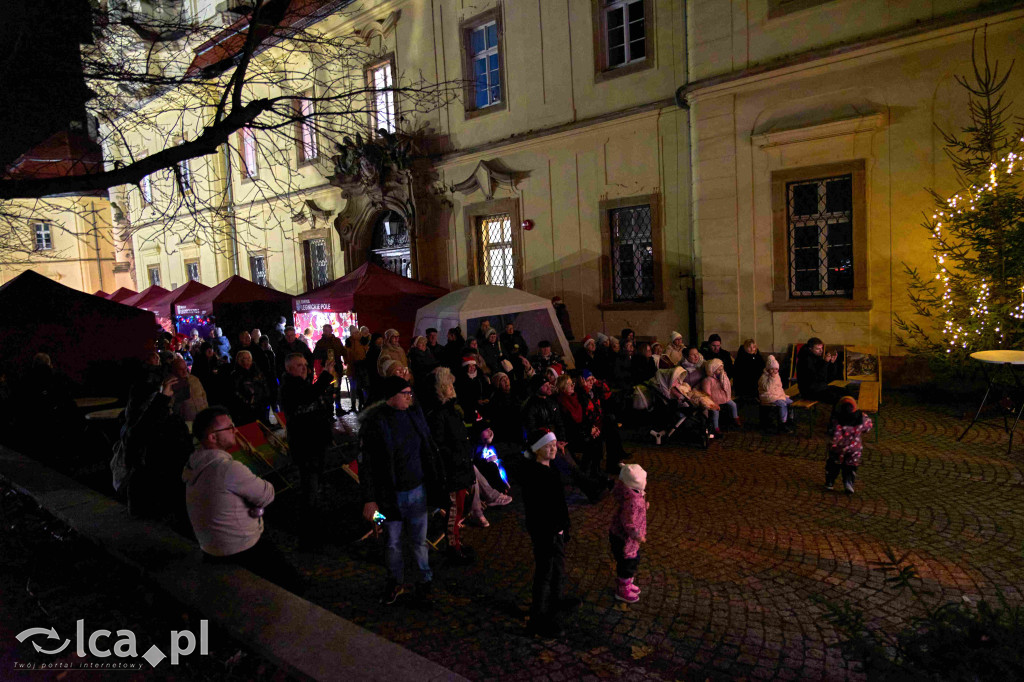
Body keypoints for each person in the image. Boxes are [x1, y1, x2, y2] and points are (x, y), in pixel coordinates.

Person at [183, 407, 304, 594]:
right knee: (294, 583)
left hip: (211, 547)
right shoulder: (227, 469)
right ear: (212, 437)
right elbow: (268, 494)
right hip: (239, 547)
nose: (236, 430)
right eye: (229, 428)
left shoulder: (193, 466)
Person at [359, 376, 444, 606]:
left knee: (418, 540)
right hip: (388, 498)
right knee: (391, 542)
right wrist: (369, 500)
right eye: (405, 393)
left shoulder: (414, 415)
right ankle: (395, 581)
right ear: (392, 397)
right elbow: (367, 465)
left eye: (410, 393)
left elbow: (428, 451)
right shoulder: (375, 424)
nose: (410, 397)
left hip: (418, 492)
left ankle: (424, 581)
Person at [279, 353, 336, 549]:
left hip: (316, 444)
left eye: (305, 365)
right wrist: (326, 377)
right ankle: (307, 538)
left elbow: (317, 402)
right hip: (306, 448)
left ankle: (316, 529)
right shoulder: (289, 388)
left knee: (315, 489)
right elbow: (308, 397)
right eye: (299, 365)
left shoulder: (303, 385)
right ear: (288, 368)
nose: (304, 368)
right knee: (308, 492)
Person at [425, 367, 481, 561]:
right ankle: (453, 548)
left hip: (460, 467)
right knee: (453, 512)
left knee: (458, 510)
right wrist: (456, 458)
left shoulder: (452, 411)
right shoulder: (439, 414)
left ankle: (456, 543)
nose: (452, 387)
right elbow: (440, 445)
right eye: (448, 384)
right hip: (453, 470)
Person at [521, 429, 572, 637]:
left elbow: (559, 501)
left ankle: (555, 602)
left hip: (556, 529)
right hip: (545, 532)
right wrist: (554, 528)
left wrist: (564, 526)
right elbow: (540, 509)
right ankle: (538, 618)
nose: (553, 449)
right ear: (537, 450)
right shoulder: (535, 475)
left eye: (553, 445)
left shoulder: (551, 469)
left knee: (557, 567)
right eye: (548, 447)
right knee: (545, 571)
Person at [609, 463, 648, 604]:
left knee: (631, 560)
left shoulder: (631, 494)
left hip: (623, 536)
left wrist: (643, 507)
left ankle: (626, 583)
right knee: (628, 562)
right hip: (625, 539)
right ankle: (622, 589)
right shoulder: (633, 501)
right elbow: (628, 521)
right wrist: (637, 535)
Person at [825, 397, 873, 494]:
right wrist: (865, 416)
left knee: (833, 464)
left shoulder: (837, 419)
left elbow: (833, 432)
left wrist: (832, 443)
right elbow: (868, 427)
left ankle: (830, 482)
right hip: (854, 448)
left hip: (838, 448)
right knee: (851, 466)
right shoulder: (861, 419)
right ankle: (849, 482)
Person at [796, 337, 850, 404]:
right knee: (840, 399)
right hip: (810, 392)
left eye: (821, 348)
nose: (821, 351)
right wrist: (825, 363)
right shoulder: (805, 360)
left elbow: (830, 377)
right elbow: (818, 378)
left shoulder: (816, 357)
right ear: (810, 349)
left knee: (846, 393)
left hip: (821, 388)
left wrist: (832, 363)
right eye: (818, 349)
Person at [700, 358, 741, 437]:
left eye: (721, 369)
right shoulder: (708, 380)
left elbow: (726, 386)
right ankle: (716, 427)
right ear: (713, 370)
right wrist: (711, 402)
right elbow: (706, 392)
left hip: (723, 397)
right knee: (715, 413)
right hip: (714, 400)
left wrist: (724, 379)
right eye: (718, 370)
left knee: (733, 404)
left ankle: (735, 418)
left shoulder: (722, 378)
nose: (721, 372)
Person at [229, 350, 271, 426]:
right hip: (247, 407)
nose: (248, 360)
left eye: (249, 358)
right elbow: (235, 391)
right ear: (240, 360)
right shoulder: (236, 375)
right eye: (245, 358)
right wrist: (247, 401)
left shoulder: (257, 371)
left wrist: (266, 397)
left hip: (261, 404)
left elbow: (264, 384)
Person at [313, 324, 346, 415]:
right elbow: (316, 356)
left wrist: (345, 358)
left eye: (328, 330)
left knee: (337, 389)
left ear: (331, 330)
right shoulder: (320, 343)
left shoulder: (337, 341)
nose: (326, 332)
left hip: (337, 368)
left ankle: (338, 408)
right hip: (327, 370)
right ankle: (329, 411)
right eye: (324, 330)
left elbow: (343, 351)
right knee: (328, 390)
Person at [758, 355, 794, 433]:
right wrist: (772, 378)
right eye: (772, 369)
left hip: (777, 395)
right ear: (768, 369)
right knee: (782, 404)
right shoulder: (764, 377)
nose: (774, 371)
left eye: (776, 369)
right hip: (767, 395)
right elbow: (767, 388)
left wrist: (783, 395)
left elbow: (780, 387)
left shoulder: (777, 376)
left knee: (790, 402)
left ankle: (790, 420)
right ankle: (782, 424)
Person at [169, 356, 208, 421]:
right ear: (174, 370)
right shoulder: (171, 385)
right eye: (181, 369)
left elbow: (204, 396)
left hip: (202, 418)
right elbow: (169, 406)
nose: (184, 371)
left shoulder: (194, 379)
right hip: (186, 422)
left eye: (185, 368)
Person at [734, 339, 765, 403]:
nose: (752, 349)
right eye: (749, 347)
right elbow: (738, 373)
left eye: (753, 347)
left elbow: (762, 367)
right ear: (745, 347)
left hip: (757, 384)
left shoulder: (758, 357)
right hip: (744, 385)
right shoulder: (741, 358)